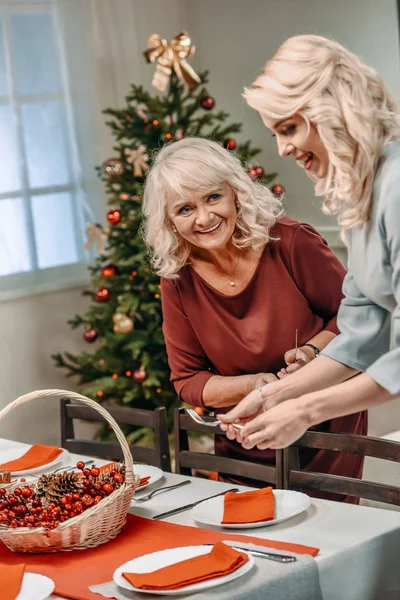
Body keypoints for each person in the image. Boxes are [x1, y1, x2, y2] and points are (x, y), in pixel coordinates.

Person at [142, 136, 367, 501]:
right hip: (245, 436)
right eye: (184, 209)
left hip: (323, 427)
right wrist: (255, 385)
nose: (204, 218)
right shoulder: (177, 279)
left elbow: (356, 316)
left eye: (213, 197)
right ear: (168, 220)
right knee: (250, 536)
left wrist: (311, 351)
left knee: (328, 536)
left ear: (235, 192)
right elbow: (187, 380)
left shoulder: (291, 242)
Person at [219, 35, 400, 452]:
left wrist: (306, 410)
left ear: (333, 110)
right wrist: (275, 395)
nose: (282, 148)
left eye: (289, 128)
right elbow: (359, 336)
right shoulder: (362, 198)